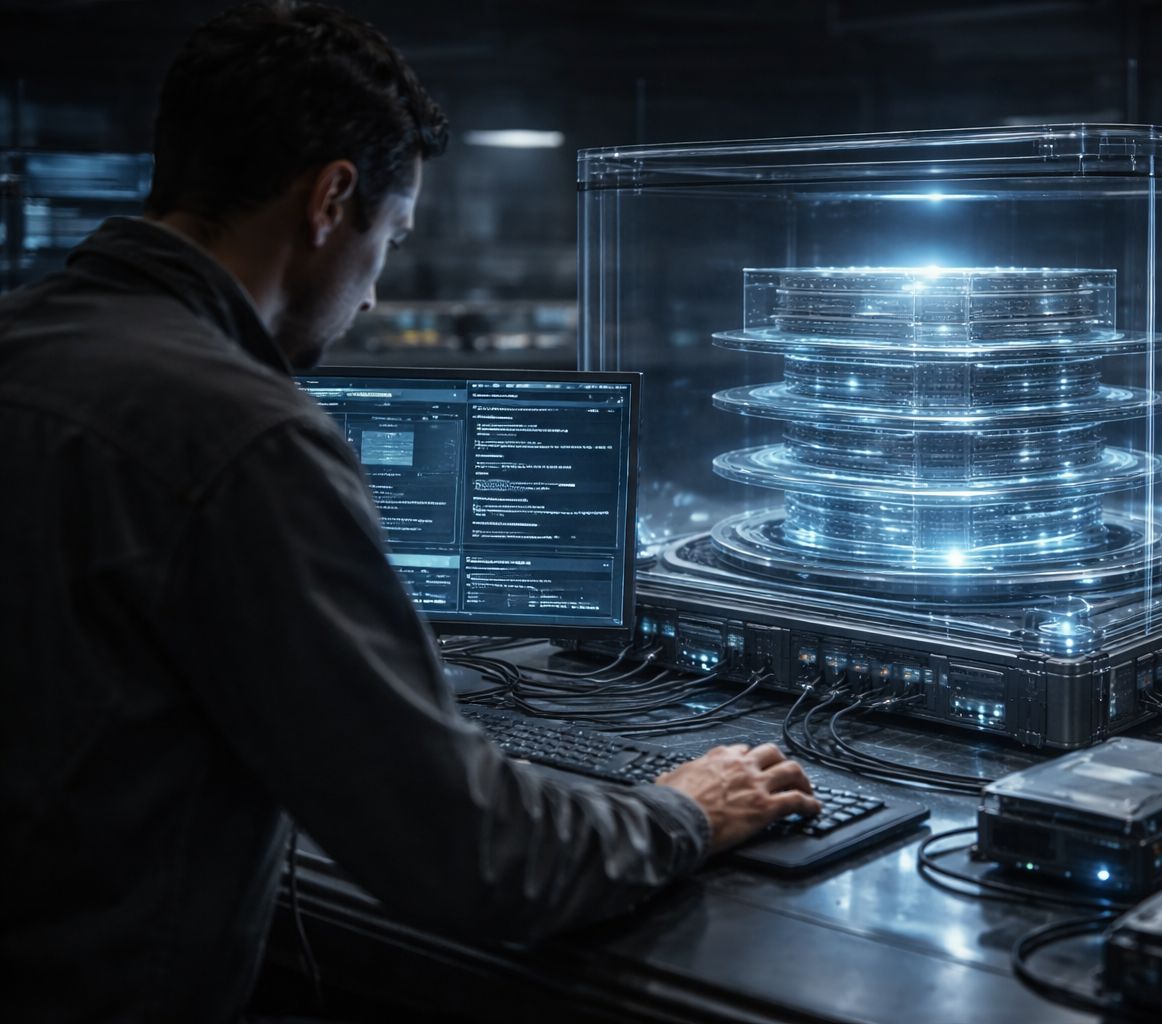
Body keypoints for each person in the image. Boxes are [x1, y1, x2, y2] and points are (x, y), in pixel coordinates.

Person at [0, 3, 820, 1021]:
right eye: (389, 239)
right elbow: (475, 858)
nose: (375, 294)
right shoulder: (243, 436)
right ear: (330, 200)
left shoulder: (27, 339)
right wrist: (684, 811)